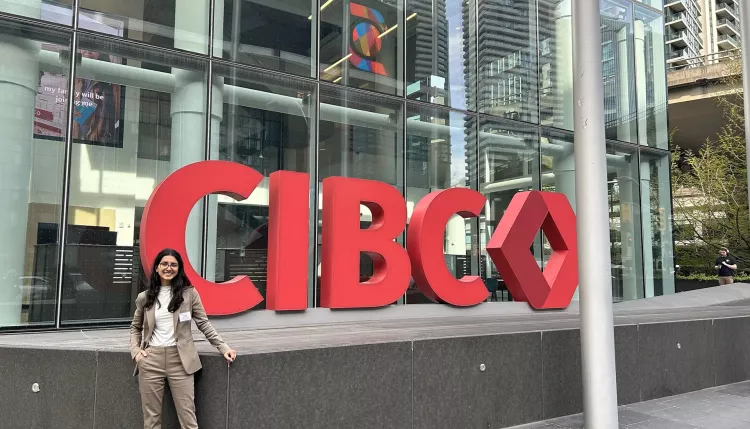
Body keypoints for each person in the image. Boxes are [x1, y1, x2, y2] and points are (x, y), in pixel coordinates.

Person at [130, 248, 237, 429]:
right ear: (156, 268)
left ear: (179, 269)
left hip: (180, 361)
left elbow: (204, 324)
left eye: (173, 264)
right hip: (151, 360)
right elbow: (135, 327)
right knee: (151, 420)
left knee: (188, 419)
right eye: (164, 264)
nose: (168, 268)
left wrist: (223, 347)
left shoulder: (189, 294)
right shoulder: (145, 297)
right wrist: (136, 351)